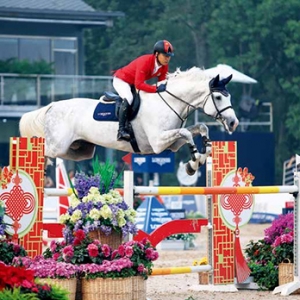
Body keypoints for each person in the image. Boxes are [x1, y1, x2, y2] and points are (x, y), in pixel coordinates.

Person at [113, 40, 174, 141]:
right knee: (129, 97)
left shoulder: (164, 66)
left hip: (133, 83)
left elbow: (162, 83)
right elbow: (139, 84)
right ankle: (121, 130)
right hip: (122, 80)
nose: (167, 58)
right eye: (165, 55)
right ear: (157, 54)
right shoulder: (145, 61)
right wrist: (156, 89)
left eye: (169, 56)